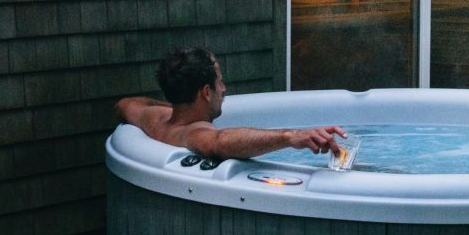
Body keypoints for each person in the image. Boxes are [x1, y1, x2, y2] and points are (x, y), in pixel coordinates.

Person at [114, 46, 346, 161]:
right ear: (206, 92)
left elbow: (124, 103)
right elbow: (221, 141)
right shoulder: (193, 133)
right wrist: (291, 136)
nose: (224, 89)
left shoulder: (154, 118)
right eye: (220, 82)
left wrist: (178, 103)